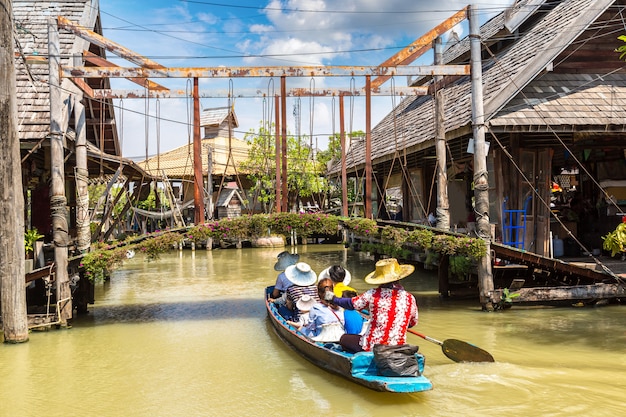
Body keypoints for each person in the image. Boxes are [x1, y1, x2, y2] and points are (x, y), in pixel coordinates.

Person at [327, 258, 418, 353]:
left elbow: (351, 304)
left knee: (343, 339)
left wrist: (333, 299)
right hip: (398, 346)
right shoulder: (410, 298)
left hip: (373, 345)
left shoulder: (373, 294)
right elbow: (412, 323)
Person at [291, 278, 345, 342]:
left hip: (322, 336)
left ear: (318, 292)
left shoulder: (316, 308)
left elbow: (311, 327)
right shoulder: (339, 306)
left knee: (302, 329)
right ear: (332, 291)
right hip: (340, 335)